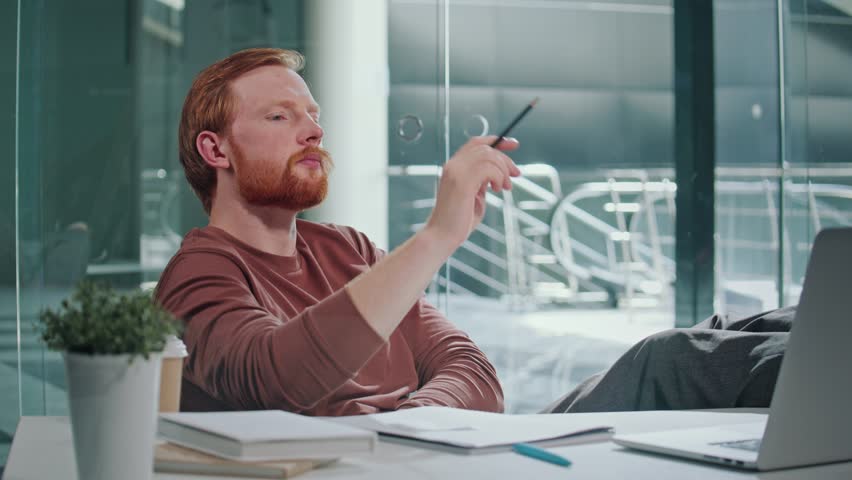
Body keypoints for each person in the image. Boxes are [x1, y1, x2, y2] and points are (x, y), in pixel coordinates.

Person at [155, 47, 519, 415]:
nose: (315, 132)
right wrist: (436, 236)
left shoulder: (350, 249)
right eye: (280, 116)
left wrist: (409, 425)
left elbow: (472, 371)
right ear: (216, 150)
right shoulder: (197, 275)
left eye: (313, 116)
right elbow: (275, 378)